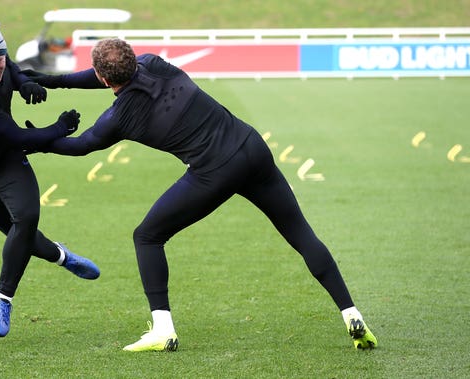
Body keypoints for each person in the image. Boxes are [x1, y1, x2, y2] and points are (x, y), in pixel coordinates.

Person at [22, 38, 378, 352]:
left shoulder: (119, 118)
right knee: (300, 232)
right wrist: (51, 82)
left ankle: (163, 330)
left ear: (103, 78)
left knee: (147, 236)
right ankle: (351, 314)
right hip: (251, 147)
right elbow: (102, 76)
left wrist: (40, 139)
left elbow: (81, 145)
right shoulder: (153, 63)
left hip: (214, 171)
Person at [0, 19, 100, 338]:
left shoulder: (2, 63)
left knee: (26, 219)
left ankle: (2, 299)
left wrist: (23, 81)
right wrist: (59, 127)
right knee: (16, 231)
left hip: (3, 157)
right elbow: (18, 137)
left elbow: (10, 66)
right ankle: (62, 256)